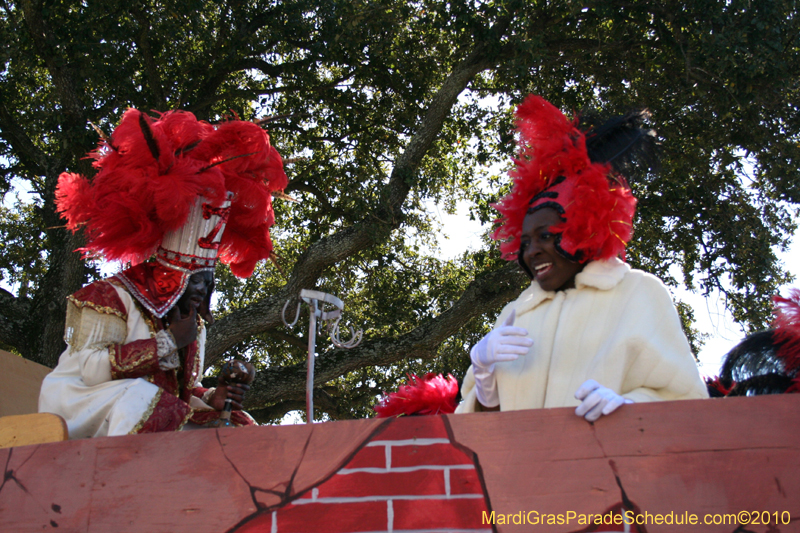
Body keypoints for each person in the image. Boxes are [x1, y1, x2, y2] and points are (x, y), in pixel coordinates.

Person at [456, 95, 708, 421]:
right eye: (526, 240)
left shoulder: (639, 293)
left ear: (584, 228)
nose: (531, 251)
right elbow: (487, 429)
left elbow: (685, 401)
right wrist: (483, 373)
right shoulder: (514, 314)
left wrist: (630, 408)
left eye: (546, 235)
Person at [39, 108, 287, 438]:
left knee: (238, 425)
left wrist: (215, 399)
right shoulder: (112, 296)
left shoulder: (192, 326)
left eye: (207, 283)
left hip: (147, 413)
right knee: (137, 398)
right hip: (81, 406)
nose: (201, 292)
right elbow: (93, 369)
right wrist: (168, 341)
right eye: (194, 281)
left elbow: (183, 392)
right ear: (169, 277)